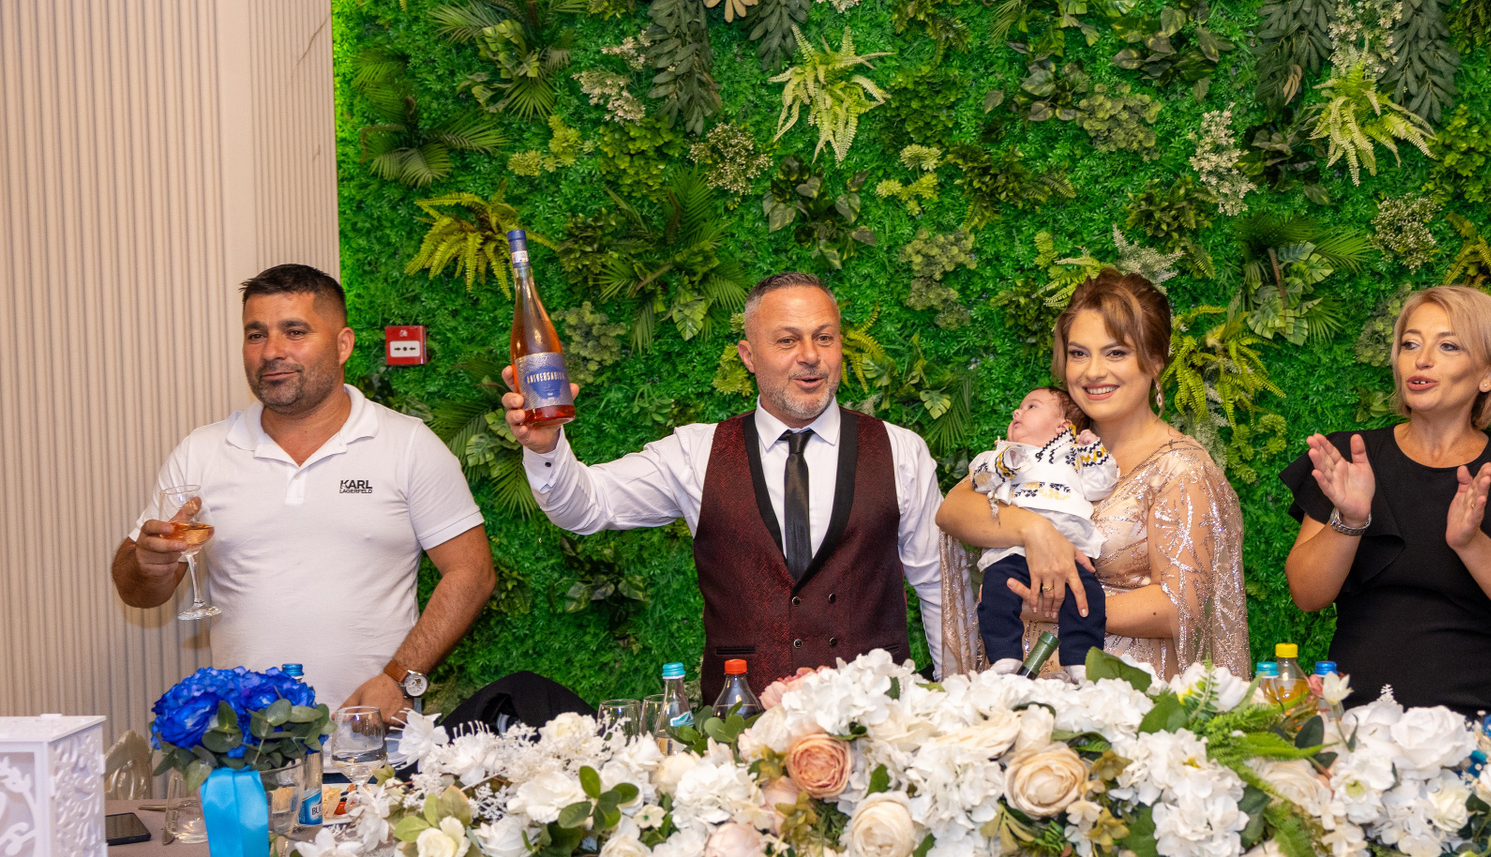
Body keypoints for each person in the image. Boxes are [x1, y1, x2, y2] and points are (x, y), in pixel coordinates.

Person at [505, 271, 944, 704]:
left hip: (879, 724)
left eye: (824, 338)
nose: (811, 355)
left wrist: (961, 710)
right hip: (739, 728)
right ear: (749, 356)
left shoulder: (901, 451)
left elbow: (942, 589)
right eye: (787, 340)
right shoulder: (694, 453)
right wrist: (547, 448)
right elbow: (585, 507)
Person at [114, 265, 497, 724]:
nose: (271, 351)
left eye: (294, 332)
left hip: (373, 738)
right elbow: (139, 591)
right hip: (245, 743)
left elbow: (471, 572)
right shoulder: (202, 451)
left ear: (343, 344)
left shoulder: (408, 444)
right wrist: (147, 564)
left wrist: (398, 677)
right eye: (256, 335)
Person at [1280, 285, 1491, 714]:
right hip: (1355, 723)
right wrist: (1349, 520)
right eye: (1410, 344)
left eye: (1448, 346)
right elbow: (1306, 594)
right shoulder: (1350, 458)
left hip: (1476, 728)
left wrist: (1472, 543)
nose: (1421, 359)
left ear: (1490, 374)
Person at [937, 269, 1250, 679]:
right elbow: (953, 509)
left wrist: (1056, 605)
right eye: (1079, 353)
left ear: (1155, 361)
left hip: (1123, 695)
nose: (1093, 372)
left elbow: (1179, 608)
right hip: (1021, 694)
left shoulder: (1182, 470)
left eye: (1116, 353)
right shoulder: (1051, 443)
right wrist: (1035, 531)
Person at [967, 386, 1118, 674]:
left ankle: (1080, 659)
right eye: (1019, 408)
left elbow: (1100, 486)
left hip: (1068, 552)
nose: (1017, 412)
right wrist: (1004, 463)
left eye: (1031, 406)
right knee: (997, 590)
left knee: (1088, 596)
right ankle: (1003, 656)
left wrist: (1092, 450)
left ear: (1064, 426)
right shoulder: (999, 454)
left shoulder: (1074, 457)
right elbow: (980, 481)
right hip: (1012, 550)